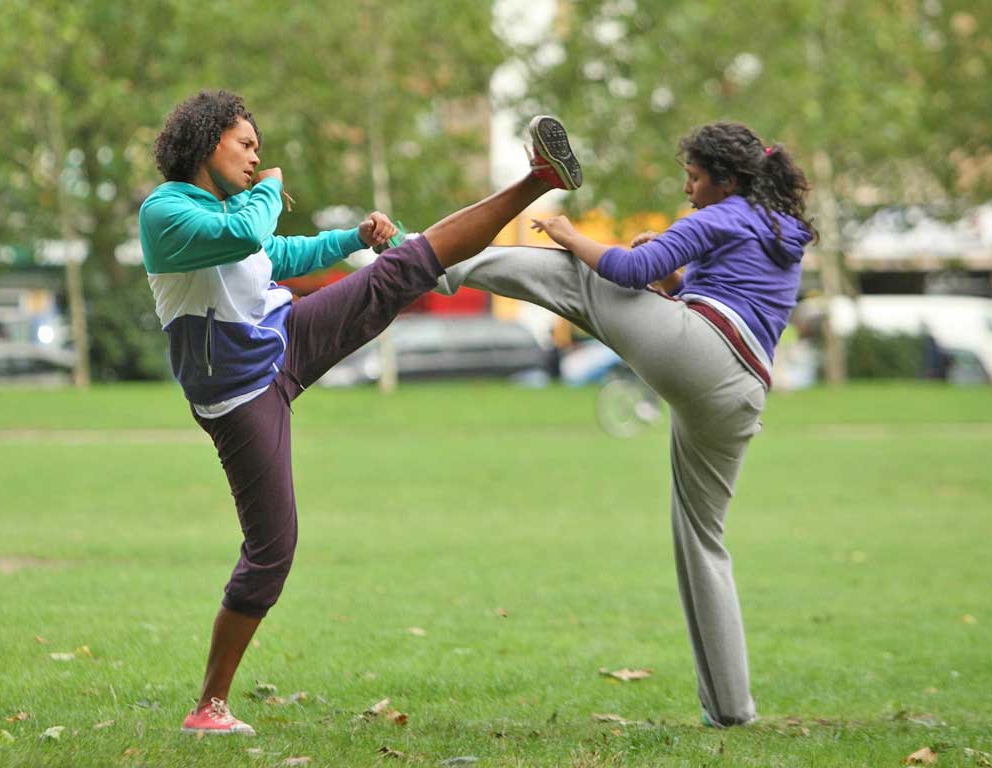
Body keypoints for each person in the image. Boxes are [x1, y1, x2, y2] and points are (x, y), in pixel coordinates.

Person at [139, 90, 583, 735]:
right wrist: (272, 186)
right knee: (272, 551)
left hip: (284, 335)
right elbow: (245, 233)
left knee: (404, 266)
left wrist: (353, 238)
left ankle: (535, 180)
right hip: (240, 394)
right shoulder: (168, 212)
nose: (257, 156)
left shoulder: (232, 211)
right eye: (246, 144)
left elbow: (275, 257)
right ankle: (207, 706)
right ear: (207, 143)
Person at [437, 121, 816, 727]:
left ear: (726, 180)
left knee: (572, 274)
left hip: (703, 355)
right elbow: (699, 284)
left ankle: (429, 265)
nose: (688, 189)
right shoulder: (777, 228)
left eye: (694, 178)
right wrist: (675, 280)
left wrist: (568, 233)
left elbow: (627, 272)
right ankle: (731, 710)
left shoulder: (722, 215)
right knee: (702, 539)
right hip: (740, 393)